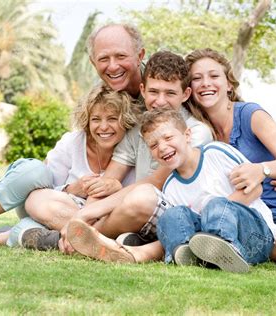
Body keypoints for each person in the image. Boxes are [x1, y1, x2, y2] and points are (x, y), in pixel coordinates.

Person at [0, 84, 138, 247]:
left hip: (90, 220)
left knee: (29, 230)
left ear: (125, 120)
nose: (103, 127)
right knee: (34, 176)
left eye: (112, 118)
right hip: (51, 206)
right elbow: (44, 187)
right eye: (96, 119)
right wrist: (74, 189)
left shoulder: (133, 151)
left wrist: (116, 189)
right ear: (87, 121)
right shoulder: (73, 142)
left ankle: (0, 237)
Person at [66, 109, 276, 273]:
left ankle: (228, 249)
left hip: (254, 234)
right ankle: (184, 252)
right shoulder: (172, 186)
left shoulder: (217, 152)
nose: (163, 148)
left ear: (187, 135)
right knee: (172, 215)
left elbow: (254, 189)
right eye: (154, 145)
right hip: (207, 240)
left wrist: (215, 213)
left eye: (168, 138)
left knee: (216, 205)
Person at [53, 51, 213, 259]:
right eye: (154, 92)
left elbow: (157, 182)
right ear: (143, 90)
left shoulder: (194, 131)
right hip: (135, 215)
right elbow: (109, 179)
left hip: (178, 215)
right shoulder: (137, 129)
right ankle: (95, 236)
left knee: (142, 197)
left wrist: (85, 217)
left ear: (185, 94)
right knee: (43, 203)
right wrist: (81, 218)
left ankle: (87, 237)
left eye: (170, 93)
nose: (160, 101)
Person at [184, 48, 276, 263]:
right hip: (240, 216)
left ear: (229, 84)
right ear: (189, 89)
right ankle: (245, 248)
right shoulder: (197, 131)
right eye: (196, 78)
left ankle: (242, 250)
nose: (205, 83)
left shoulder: (250, 115)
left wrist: (263, 170)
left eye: (214, 76)